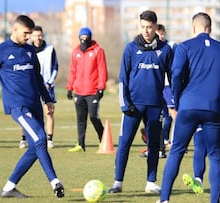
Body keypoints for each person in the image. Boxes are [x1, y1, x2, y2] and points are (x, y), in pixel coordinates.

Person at [0, 15, 64, 198]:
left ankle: (9, 187)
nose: (28, 37)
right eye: (26, 33)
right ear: (15, 29)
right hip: (18, 107)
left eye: (30, 33)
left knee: (35, 148)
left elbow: (38, 78)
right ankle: (55, 182)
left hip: (35, 105)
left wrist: (47, 99)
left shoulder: (29, 51)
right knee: (41, 139)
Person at [158, 12, 220, 203]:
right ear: (210, 29)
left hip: (188, 107)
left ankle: (164, 199)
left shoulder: (184, 46)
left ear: (193, 27)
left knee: (177, 151)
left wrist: (178, 99)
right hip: (214, 110)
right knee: (214, 156)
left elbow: (177, 72)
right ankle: (214, 201)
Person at [108, 10, 173, 194]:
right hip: (132, 107)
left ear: (155, 27)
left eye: (149, 27)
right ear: (140, 26)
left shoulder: (165, 50)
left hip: (155, 106)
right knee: (124, 143)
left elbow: (172, 78)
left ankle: (151, 182)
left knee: (154, 145)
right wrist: (124, 104)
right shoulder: (130, 48)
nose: (146, 31)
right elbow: (123, 78)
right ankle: (118, 183)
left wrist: (171, 103)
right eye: (143, 27)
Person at [66, 27, 108, 152]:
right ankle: (80, 144)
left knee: (93, 116)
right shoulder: (75, 52)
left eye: (86, 37)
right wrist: (70, 87)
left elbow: (102, 69)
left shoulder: (98, 51)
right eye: (82, 37)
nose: (84, 39)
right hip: (79, 91)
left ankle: (103, 140)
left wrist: (101, 87)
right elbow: (73, 70)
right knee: (80, 118)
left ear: (90, 37)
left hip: (92, 90)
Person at [140, 23, 177, 158]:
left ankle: (177, 143)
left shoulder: (171, 46)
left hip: (169, 87)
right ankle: (160, 146)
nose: (160, 36)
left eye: (162, 34)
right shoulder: (150, 48)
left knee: (173, 114)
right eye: (158, 33)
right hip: (157, 88)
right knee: (160, 118)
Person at [19, 25, 59, 149]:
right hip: (31, 86)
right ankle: (23, 138)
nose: (38, 38)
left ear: (43, 35)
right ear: (32, 36)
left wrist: (49, 82)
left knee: (49, 112)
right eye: (35, 35)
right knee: (27, 113)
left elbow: (55, 67)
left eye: (40, 35)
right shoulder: (27, 49)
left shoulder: (50, 49)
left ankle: (50, 139)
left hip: (47, 85)